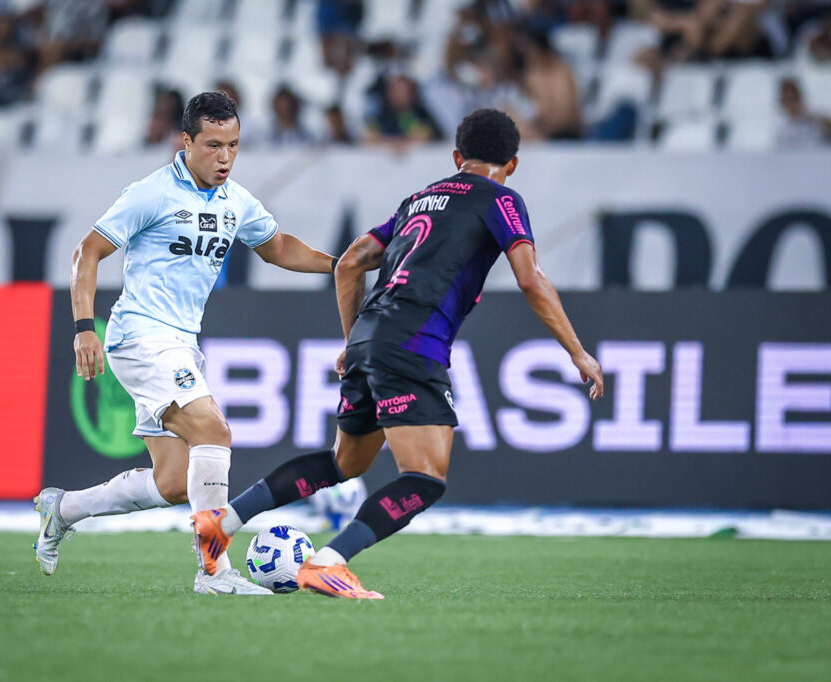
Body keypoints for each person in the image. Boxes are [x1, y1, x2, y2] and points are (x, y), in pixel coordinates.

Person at [194, 108, 604, 599]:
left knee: (343, 464)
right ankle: (328, 561)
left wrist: (352, 341)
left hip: (371, 334)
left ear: (457, 157)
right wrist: (578, 352)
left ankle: (224, 518)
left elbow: (349, 263)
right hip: (414, 342)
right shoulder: (502, 197)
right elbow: (530, 277)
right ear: (512, 164)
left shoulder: (419, 199)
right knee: (425, 478)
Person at [33, 92, 336, 595]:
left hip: (179, 342)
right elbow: (88, 251)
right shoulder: (151, 193)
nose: (225, 157)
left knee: (173, 482)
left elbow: (279, 248)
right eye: (213, 145)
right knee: (213, 431)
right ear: (187, 142)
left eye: (234, 146)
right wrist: (84, 326)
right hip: (141, 336)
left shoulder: (236, 200)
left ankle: (62, 508)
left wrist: (341, 263)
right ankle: (214, 571)